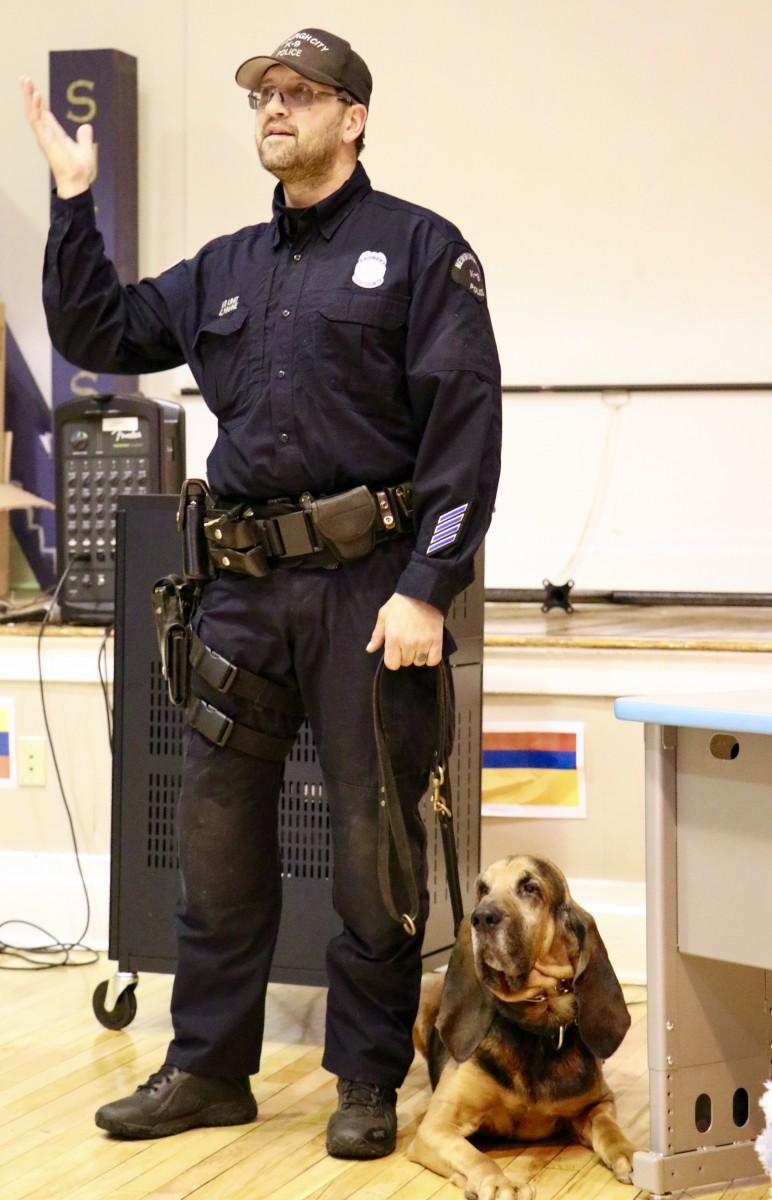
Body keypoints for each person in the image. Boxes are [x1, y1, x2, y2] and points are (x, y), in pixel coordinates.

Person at [21, 27, 501, 1160]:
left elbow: (464, 438)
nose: (273, 109)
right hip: (239, 592)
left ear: (355, 117)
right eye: (262, 96)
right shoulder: (225, 267)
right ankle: (207, 1068)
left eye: (299, 93)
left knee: (373, 845)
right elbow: (100, 329)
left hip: (369, 594)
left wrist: (429, 586)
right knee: (218, 839)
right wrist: (74, 200)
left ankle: (367, 1078)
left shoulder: (422, 251)